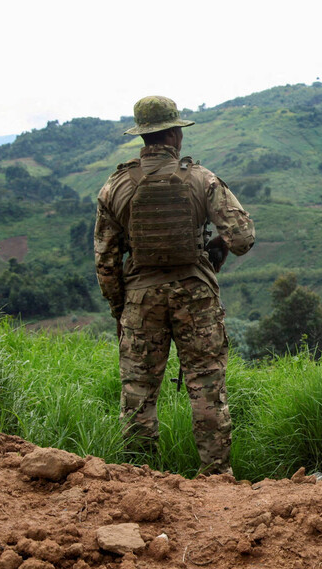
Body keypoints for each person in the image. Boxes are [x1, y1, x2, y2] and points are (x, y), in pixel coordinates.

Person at [94, 95, 255, 476]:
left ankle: (139, 480)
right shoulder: (202, 179)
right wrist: (215, 248)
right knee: (207, 386)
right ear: (174, 135)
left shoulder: (114, 186)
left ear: (143, 137)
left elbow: (105, 261)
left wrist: (121, 310)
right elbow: (243, 238)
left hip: (139, 301)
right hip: (195, 297)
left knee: (138, 393)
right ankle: (216, 476)